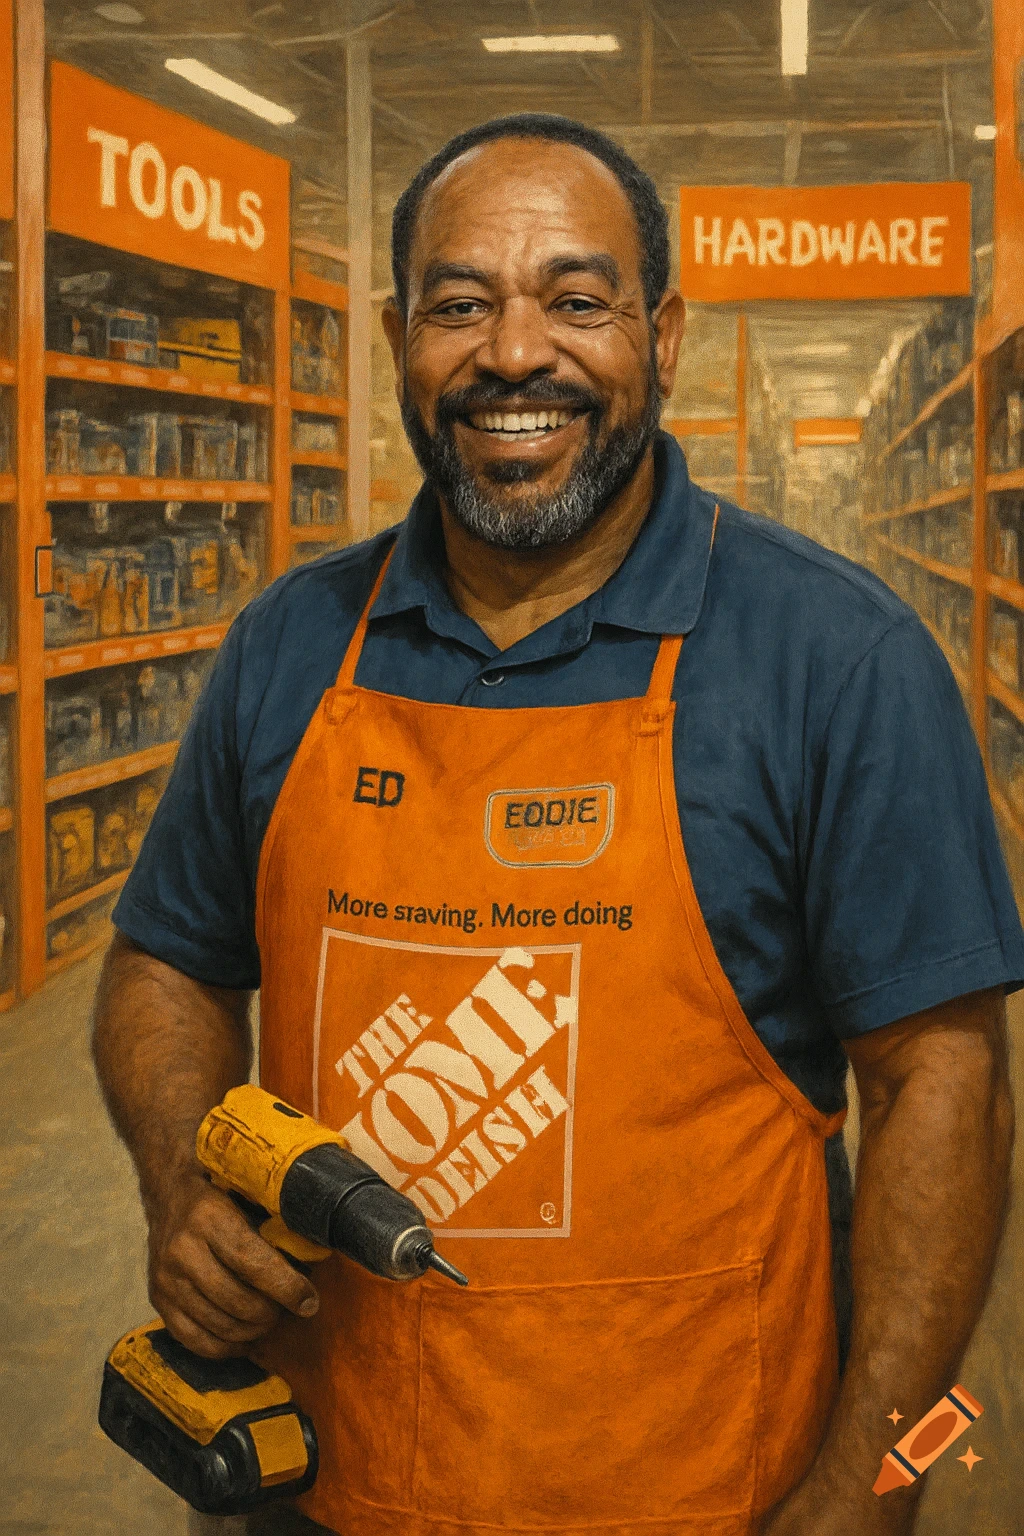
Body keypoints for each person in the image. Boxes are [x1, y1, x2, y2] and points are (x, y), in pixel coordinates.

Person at [93, 114, 1021, 1536]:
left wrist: (875, 1484)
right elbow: (166, 965)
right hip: (327, 1481)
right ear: (400, 336)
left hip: (710, 1486)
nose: (515, 354)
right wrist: (179, 1187)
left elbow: (942, 1092)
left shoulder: (836, 659)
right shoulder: (292, 644)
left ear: (665, 331)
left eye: (576, 302)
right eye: (461, 305)